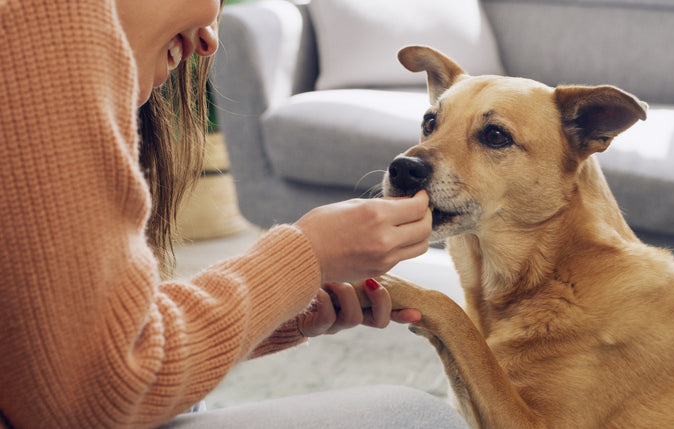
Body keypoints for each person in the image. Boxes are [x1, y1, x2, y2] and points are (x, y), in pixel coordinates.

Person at [0, 0, 467, 427]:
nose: (210, 40)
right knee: (415, 417)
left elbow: (51, 344)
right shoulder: (47, 19)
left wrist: (280, 305)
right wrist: (307, 255)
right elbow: (93, 391)